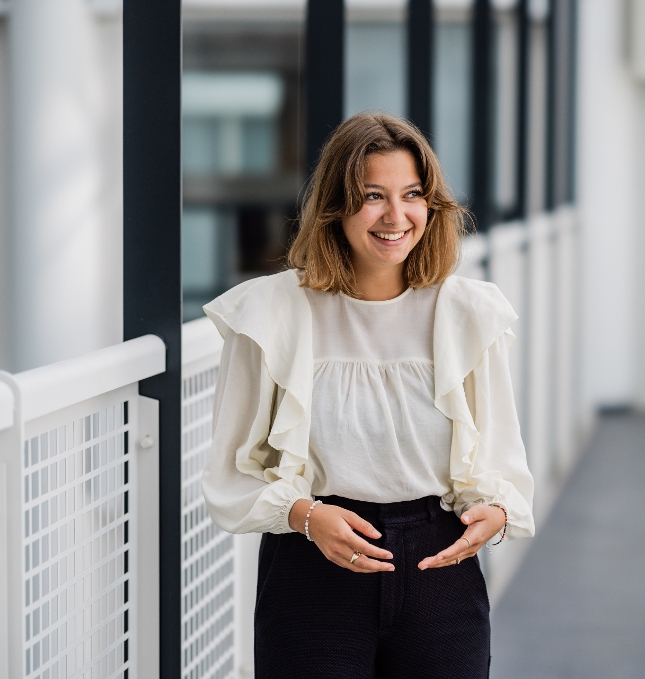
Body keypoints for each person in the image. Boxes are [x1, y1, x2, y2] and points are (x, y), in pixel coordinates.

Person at [201, 112, 535, 678]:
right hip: (313, 566)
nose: (395, 216)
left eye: (412, 195)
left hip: (439, 568)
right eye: (372, 196)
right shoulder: (269, 313)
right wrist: (306, 516)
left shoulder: (469, 313)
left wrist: (496, 512)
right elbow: (229, 475)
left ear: (431, 205)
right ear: (336, 207)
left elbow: (502, 460)